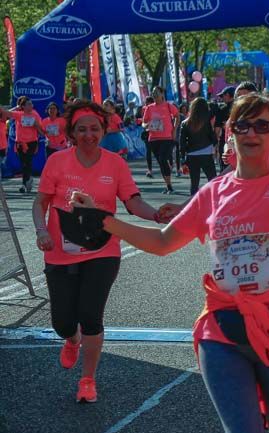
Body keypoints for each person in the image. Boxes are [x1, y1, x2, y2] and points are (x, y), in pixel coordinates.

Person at [86, 38, 269, 433]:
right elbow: (165, 241)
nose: (252, 132)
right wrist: (106, 222)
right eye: (243, 125)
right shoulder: (213, 193)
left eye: (263, 125)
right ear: (229, 133)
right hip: (222, 330)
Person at [32, 100, 174, 403]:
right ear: (71, 132)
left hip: (102, 250)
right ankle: (71, 339)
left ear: (103, 130)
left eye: (94, 129)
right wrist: (41, 230)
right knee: (63, 323)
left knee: (91, 315)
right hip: (60, 250)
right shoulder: (57, 162)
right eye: (81, 129)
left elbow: (132, 200)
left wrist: (155, 215)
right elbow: (40, 202)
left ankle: (88, 379)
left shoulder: (115, 163)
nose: (88, 134)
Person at [142, 87, 179, 194]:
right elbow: (144, 122)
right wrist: (146, 126)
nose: (155, 95)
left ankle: (170, 184)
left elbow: (177, 116)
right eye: (153, 93)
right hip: (153, 139)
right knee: (161, 162)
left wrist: (175, 129)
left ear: (162, 94)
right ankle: (168, 185)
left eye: (157, 93)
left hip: (167, 137)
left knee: (163, 159)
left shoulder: (168, 106)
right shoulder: (149, 108)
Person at [179, 97, 218, 197]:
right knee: (213, 180)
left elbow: (182, 142)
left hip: (192, 154)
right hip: (207, 152)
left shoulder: (185, 123)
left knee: (194, 183)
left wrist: (182, 158)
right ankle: (215, 201)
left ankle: (193, 205)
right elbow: (213, 138)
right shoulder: (207, 121)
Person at [10, 96, 44, 193]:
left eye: (31, 104)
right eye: (29, 104)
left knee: (27, 162)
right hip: (20, 143)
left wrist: (36, 125)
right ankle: (28, 180)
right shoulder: (19, 114)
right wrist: (15, 108)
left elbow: (42, 132)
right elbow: (4, 113)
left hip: (31, 142)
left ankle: (24, 184)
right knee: (23, 163)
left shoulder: (35, 115)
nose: (31, 105)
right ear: (23, 106)